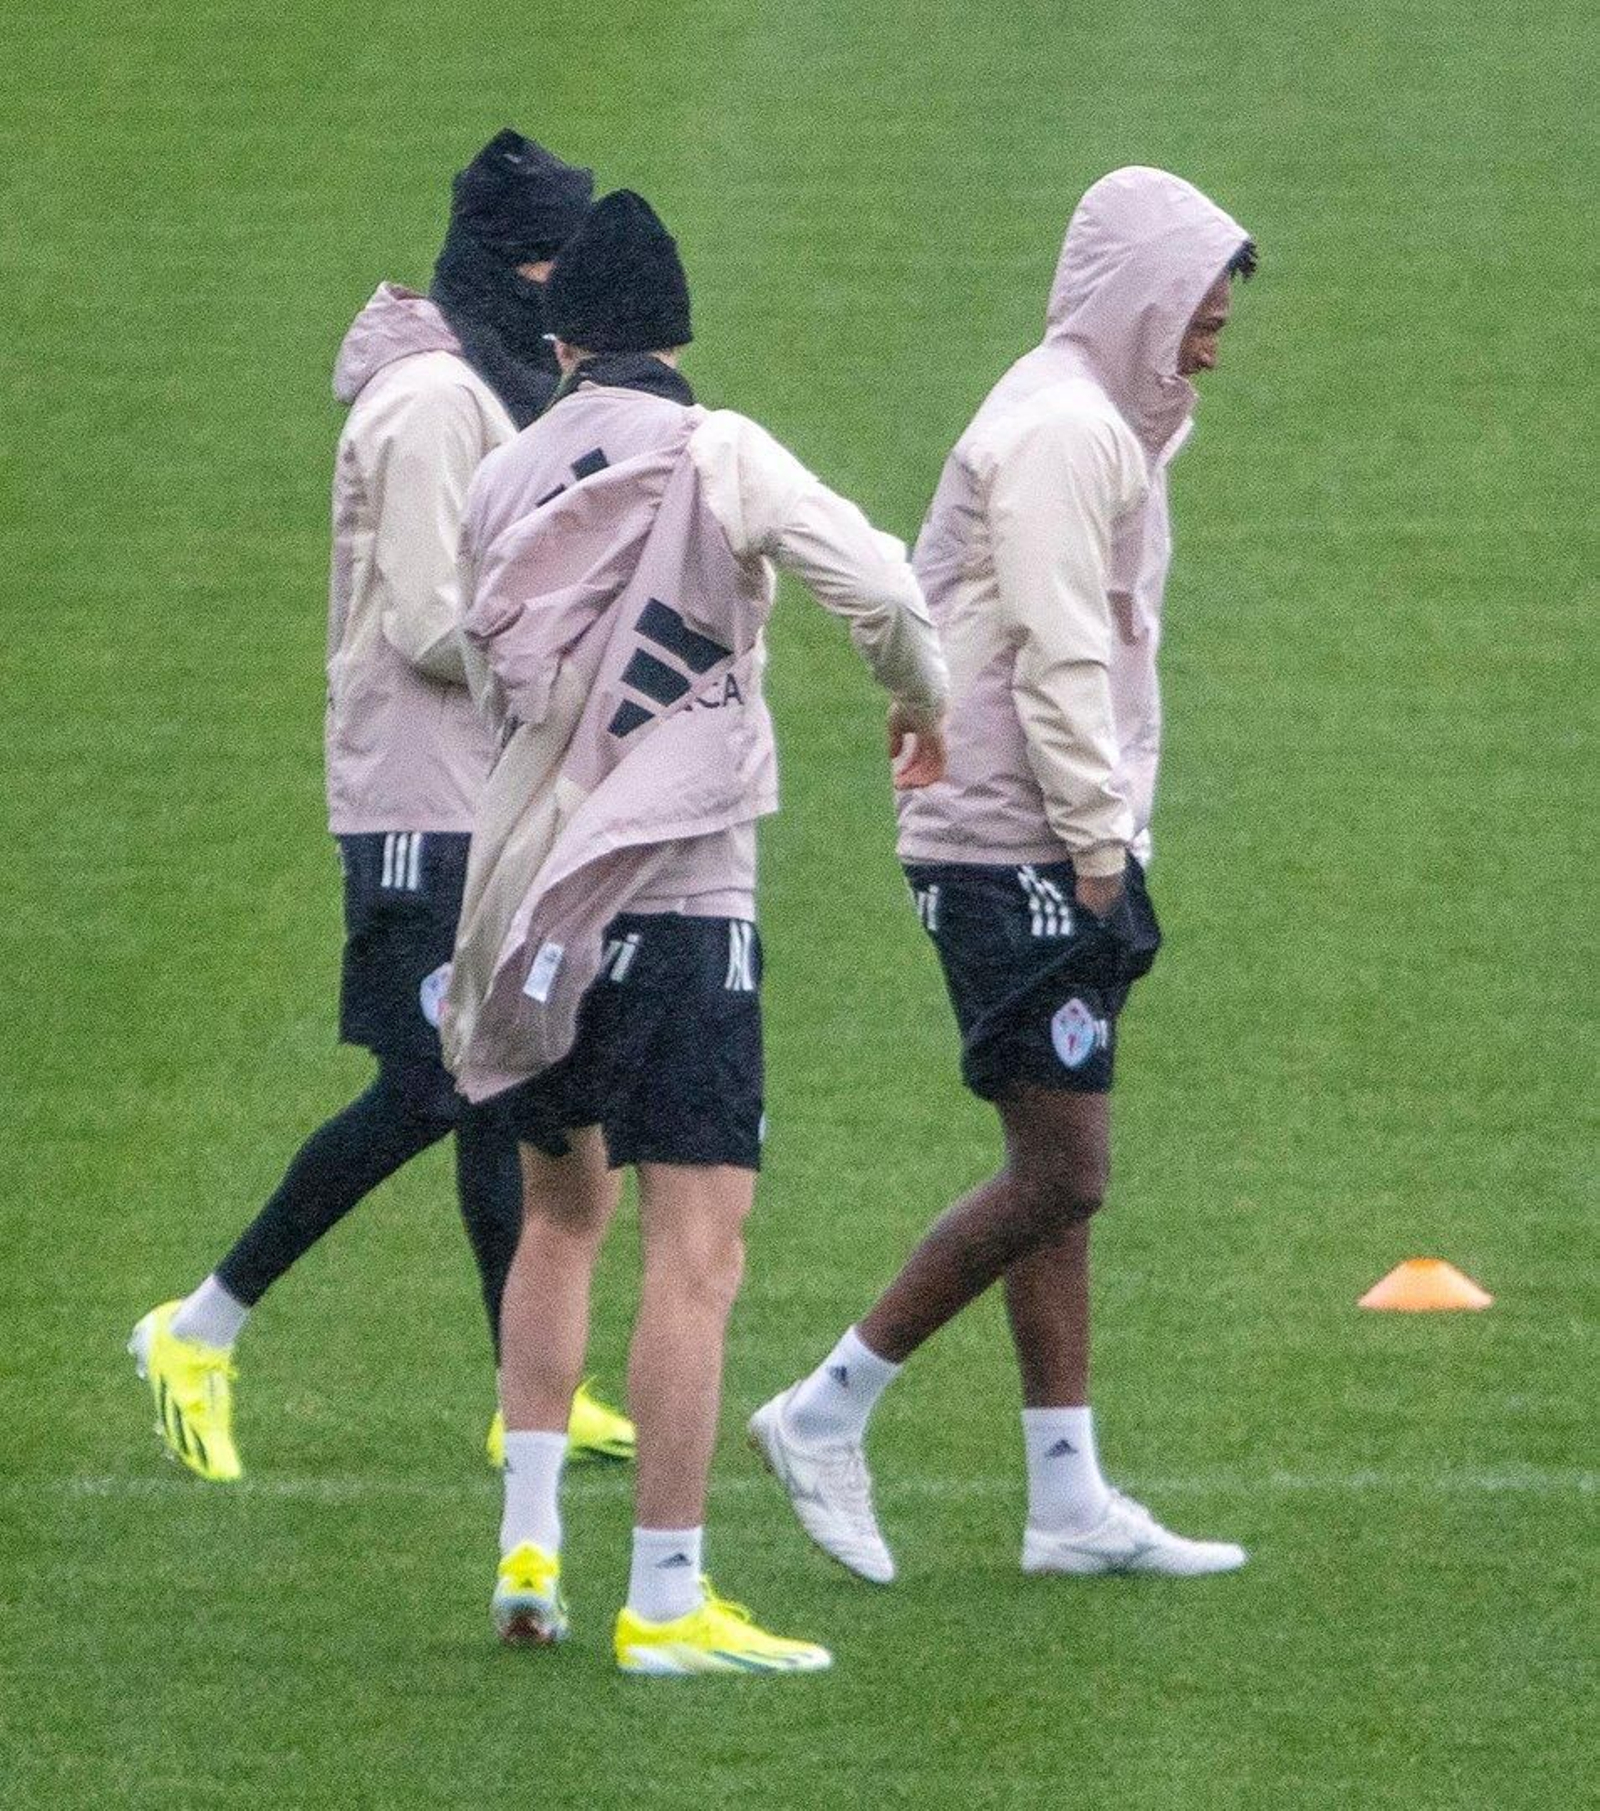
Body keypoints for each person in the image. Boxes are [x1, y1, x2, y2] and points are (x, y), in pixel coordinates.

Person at [444, 189, 948, 1675]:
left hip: (531, 905)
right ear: (676, 335)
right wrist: (916, 700)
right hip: (678, 903)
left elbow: (487, 679)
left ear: (562, 338)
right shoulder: (720, 449)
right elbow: (888, 586)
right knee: (696, 1251)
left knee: (556, 1216)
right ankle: (664, 1597)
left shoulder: (506, 471)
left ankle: (528, 1548)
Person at [751, 166, 1258, 1584]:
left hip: (1025, 830)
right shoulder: (1061, 431)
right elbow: (1056, 646)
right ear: (1147, 292)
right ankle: (824, 1408)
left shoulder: (1090, 419)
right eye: (1208, 285)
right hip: (1015, 844)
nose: (1224, 315)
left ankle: (1067, 1500)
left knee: (1060, 1168)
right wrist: (1101, 844)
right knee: (1063, 1166)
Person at [129, 130, 633, 1482]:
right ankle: (198, 1325)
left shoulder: (476, 385)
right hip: (421, 798)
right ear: (495, 259)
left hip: (473, 789)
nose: (558, 287)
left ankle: (522, 1391)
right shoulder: (428, 403)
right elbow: (423, 618)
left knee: (490, 1091)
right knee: (429, 1085)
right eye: (544, 259)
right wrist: (559, 666)